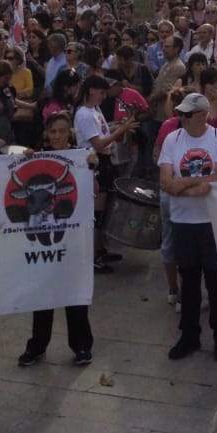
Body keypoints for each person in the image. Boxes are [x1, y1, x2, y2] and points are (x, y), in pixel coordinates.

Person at [158, 92, 217, 361]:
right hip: (183, 222)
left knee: (216, 282)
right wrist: (198, 185)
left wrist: (184, 184)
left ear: (202, 115)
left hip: (211, 221)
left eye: (188, 114)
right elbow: (167, 181)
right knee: (188, 281)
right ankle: (189, 336)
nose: (182, 117)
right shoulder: (172, 138)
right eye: (181, 113)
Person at [18, 112, 96, 369]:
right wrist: (22, 158)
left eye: (62, 131)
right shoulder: (35, 158)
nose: (58, 136)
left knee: (74, 294)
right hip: (40, 244)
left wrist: (92, 166)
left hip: (73, 239)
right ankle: (37, 345)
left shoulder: (82, 158)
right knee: (42, 294)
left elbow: (94, 192)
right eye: (53, 132)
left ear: (70, 134)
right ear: (46, 135)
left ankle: (82, 346)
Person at [73, 73, 134, 272]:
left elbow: (102, 133)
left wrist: (116, 127)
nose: (103, 96)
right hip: (94, 164)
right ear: (91, 91)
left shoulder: (95, 110)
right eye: (101, 92)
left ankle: (100, 249)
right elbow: (98, 143)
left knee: (104, 209)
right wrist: (120, 130)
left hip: (104, 161)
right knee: (96, 213)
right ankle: (92, 255)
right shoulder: (84, 113)